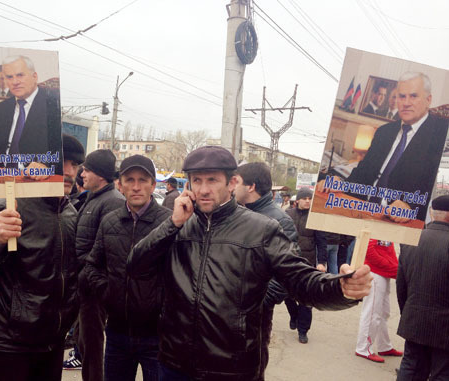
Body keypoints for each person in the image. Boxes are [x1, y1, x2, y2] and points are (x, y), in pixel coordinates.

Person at [127, 145, 373, 380]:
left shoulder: (261, 229)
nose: (203, 189)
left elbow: (300, 279)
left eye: (212, 180)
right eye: (197, 180)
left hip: (232, 367)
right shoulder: (178, 225)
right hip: (175, 364)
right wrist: (172, 224)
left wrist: (339, 288)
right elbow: (136, 267)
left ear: (232, 182)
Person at [0, 135, 85, 381]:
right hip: (7, 348)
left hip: (51, 344)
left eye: (76, 164)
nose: (70, 171)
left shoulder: (70, 213)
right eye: (62, 162)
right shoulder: (11, 205)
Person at [84, 155, 172, 380]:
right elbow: (93, 265)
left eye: (143, 180)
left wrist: (162, 306)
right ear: (119, 185)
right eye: (129, 180)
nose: (136, 187)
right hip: (117, 332)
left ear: (153, 185)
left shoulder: (169, 223)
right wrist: (108, 294)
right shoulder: (110, 221)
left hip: (157, 335)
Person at [318, 72, 449, 223]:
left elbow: (441, 189)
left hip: (402, 223)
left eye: (413, 96)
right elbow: (362, 175)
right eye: (401, 96)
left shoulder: (442, 134)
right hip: (363, 212)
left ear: (428, 100)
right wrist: (341, 184)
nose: (406, 103)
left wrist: (411, 206)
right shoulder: (384, 132)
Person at [65, 149, 125, 379]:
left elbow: (110, 251)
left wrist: (91, 281)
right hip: (83, 286)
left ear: (100, 174)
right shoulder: (93, 198)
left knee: (91, 344)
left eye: (87, 169)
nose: (82, 174)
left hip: (93, 289)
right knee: (83, 340)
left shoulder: (112, 202)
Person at [234, 162, 297, 380]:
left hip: (255, 315)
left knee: (253, 366)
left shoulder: (279, 221)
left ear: (250, 186)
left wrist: (257, 302)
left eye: (236, 181)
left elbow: (287, 276)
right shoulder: (235, 214)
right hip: (228, 310)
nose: (232, 186)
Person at [0, 55, 62, 176]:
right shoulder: (1, 108)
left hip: (34, 181)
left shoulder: (54, 105)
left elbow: (61, 150)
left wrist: (46, 166)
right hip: (0, 179)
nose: (15, 82)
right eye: (9, 77)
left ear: (34, 77)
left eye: (20, 75)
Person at [396, 195, 449, 379]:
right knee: (442, 374)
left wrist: (409, 312)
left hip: (415, 320)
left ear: (432, 213)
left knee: (411, 369)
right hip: (444, 327)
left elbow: (401, 286)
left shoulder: (411, 239)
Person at [285, 187, 327, 344]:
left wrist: (322, 262)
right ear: (298, 200)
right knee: (286, 294)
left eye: (310, 199)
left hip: (307, 262)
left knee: (306, 299)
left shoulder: (316, 218)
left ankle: (303, 330)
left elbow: (322, 242)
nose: (308, 201)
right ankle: (294, 315)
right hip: (288, 261)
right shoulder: (287, 215)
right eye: (305, 198)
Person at [355, 239, 402, 363]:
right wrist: (391, 266)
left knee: (383, 313)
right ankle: (363, 348)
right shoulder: (376, 226)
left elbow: (388, 250)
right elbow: (368, 250)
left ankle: (384, 346)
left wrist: (393, 267)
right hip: (375, 273)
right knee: (372, 313)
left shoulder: (386, 227)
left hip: (383, 272)